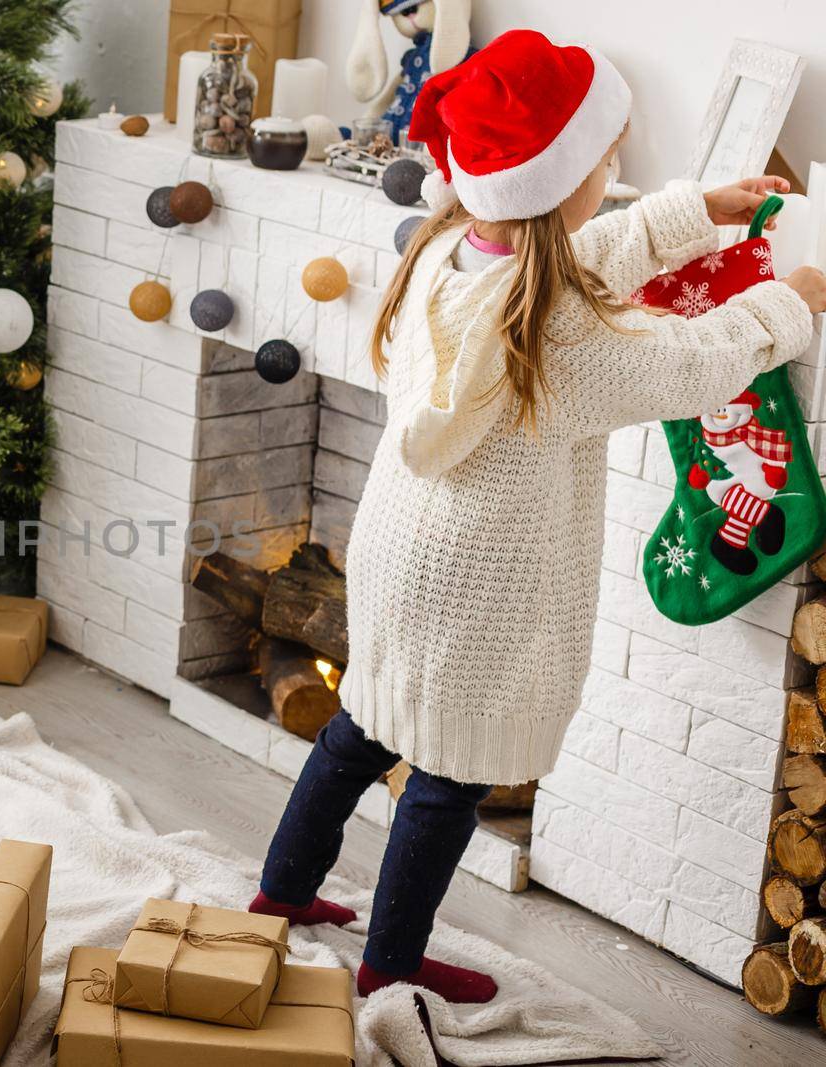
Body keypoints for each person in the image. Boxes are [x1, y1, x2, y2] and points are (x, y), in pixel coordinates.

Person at [250, 29, 826, 1003]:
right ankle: (389, 964)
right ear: (562, 180)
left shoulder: (449, 244)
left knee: (363, 723)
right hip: (478, 573)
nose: (613, 173)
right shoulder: (560, 336)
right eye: (607, 159)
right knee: (450, 771)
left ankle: (279, 892)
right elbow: (687, 367)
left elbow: (575, 252)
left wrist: (693, 213)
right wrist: (787, 305)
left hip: (400, 538)